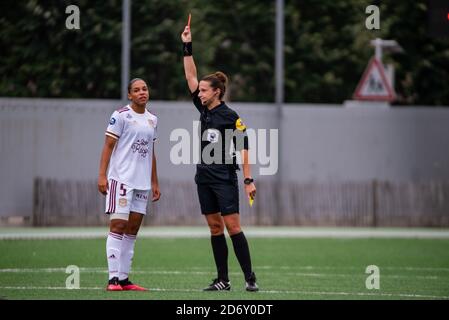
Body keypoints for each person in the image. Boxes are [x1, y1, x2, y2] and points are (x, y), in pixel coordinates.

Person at [181, 23, 259, 292]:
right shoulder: (203, 110)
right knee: (215, 228)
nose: (199, 92)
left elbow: (244, 147)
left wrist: (248, 179)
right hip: (203, 176)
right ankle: (223, 280)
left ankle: (250, 277)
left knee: (232, 226)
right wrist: (187, 45)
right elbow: (190, 76)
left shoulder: (231, 116)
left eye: (204, 90)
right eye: (199, 90)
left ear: (216, 91)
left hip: (225, 177)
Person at [97, 78, 161, 291]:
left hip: (142, 184)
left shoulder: (153, 119)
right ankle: (112, 279)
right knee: (118, 226)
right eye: (136, 90)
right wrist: (102, 176)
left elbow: (151, 153)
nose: (142, 92)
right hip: (121, 180)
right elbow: (108, 146)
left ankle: (124, 279)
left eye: (144, 88)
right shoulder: (120, 115)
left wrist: (154, 181)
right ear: (130, 95)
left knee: (133, 229)